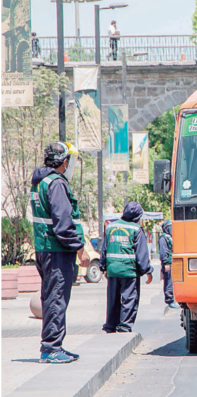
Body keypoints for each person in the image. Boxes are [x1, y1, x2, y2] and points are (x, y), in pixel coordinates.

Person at [30, 142, 90, 363]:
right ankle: (51, 348)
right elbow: (64, 224)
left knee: (51, 297)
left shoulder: (40, 181)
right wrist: (80, 249)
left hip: (45, 248)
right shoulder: (56, 183)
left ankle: (54, 346)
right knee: (56, 298)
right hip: (57, 250)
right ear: (64, 162)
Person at [100, 202, 154, 333]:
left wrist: (104, 267)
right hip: (129, 271)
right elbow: (141, 254)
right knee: (129, 299)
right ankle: (124, 326)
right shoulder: (136, 229)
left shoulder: (111, 227)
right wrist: (147, 271)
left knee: (112, 299)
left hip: (113, 270)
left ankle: (110, 325)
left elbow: (104, 249)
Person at [158, 220, 177, 308]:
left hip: (173, 262)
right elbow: (163, 252)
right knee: (168, 281)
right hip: (168, 263)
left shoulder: (171, 237)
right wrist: (165, 263)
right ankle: (169, 300)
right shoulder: (163, 238)